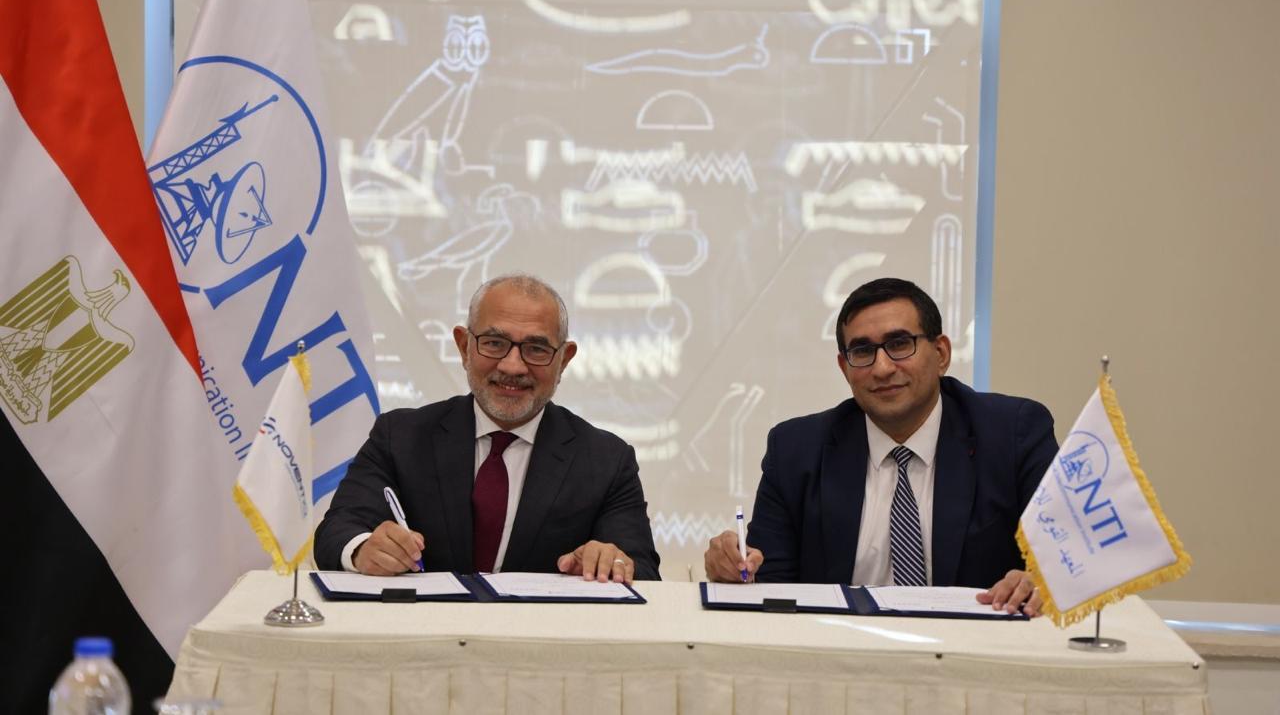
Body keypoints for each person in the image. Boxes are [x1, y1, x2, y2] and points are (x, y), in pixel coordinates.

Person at [703, 278, 1056, 615]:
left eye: (899, 344)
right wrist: (736, 572)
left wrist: (1040, 580)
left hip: (974, 648)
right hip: (840, 649)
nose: (883, 368)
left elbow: (1065, 558)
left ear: (941, 353)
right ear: (844, 367)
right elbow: (769, 588)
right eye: (862, 351)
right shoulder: (796, 451)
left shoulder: (1013, 434)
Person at [315, 274, 660, 582]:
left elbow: (642, 569)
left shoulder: (607, 460)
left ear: (564, 360)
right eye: (494, 343)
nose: (513, 366)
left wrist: (611, 562)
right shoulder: (400, 436)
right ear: (464, 346)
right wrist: (364, 550)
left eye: (536, 349)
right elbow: (338, 531)